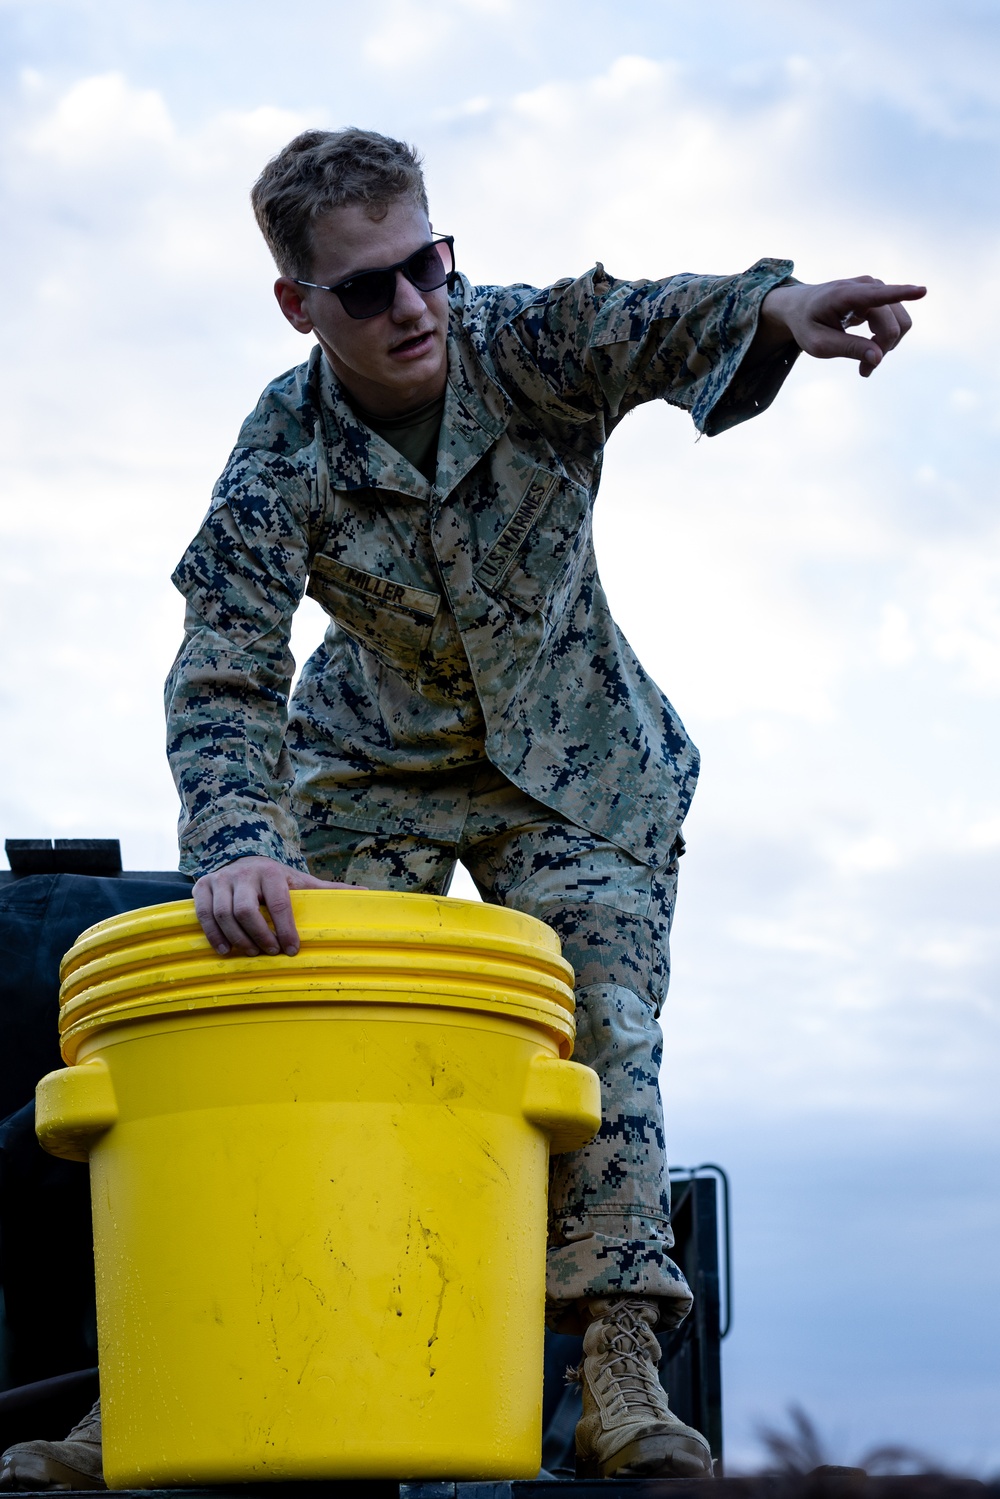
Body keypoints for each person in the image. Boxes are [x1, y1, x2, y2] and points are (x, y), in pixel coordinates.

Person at [0, 127, 923, 1489]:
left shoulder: (515, 347)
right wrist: (243, 845)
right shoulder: (278, 453)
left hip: (578, 762)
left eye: (427, 264)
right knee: (296, 1030)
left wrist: (776, 308)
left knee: (598, 1025)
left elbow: (641, 322)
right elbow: (224, 665)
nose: (414, 307)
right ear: (300, 304)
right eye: (367, 289)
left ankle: (617, 1370)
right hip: (369, 768)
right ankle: (177, 1376)